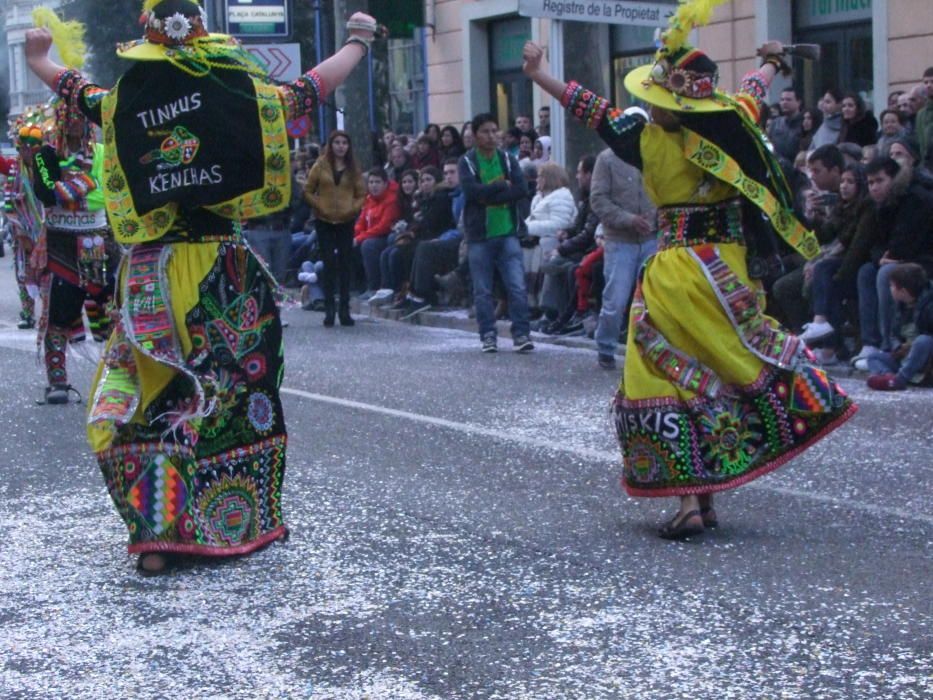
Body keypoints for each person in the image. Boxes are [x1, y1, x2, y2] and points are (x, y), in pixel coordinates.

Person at [25, 0, 378, 573]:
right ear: (205, 38)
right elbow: (309, 88)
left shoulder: (128, 104)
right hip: (227, 275)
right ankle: (239, 522)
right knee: (234, 399)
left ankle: (160, 536)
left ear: (150, 41)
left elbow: (78, 90)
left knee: (149, 400)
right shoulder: (245, 99)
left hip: (155, 275)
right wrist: (358, 42)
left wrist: (40, 58)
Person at [522, 7, 856, 539]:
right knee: (720, 367)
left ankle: (688, 501)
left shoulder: (647, 139)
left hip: (677, 270)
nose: (648, 109)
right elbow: (751, 91)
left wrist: (540, 75)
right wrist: (769, 62)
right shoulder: (730, 128)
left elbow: (591, 108)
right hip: (728, 270)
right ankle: (706, 494)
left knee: (664, 373)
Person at [30, 91, 119, 405]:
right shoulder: (46, 155)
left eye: (83, 117)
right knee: (59, 315)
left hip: (100, 244)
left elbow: (110, 194)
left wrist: (73, 190)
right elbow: (46, 193)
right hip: (62, 247)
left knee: (112, 312)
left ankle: (119, 377)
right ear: (61, 120)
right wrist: (88, 185)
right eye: (73, 116)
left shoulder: (105, 152)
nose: (79, 123)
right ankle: (58, 381)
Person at [459, 112, 533, 353]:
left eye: (494, 131)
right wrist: (501, 186)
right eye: (485, 132)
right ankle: (488, 335)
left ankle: (521, 333)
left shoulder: (508, 160)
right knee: (483, 290)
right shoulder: (468, 162)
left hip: (508, 231)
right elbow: (472, 193)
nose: (491, 137)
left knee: (517, 287)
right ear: (475, 135)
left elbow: (521, 189)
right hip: (480, 235)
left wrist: (488, 194)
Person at [855, 157, 933, 367]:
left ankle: (890, 344)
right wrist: (880, 257)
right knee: (866, 271)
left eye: (879, 181)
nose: (874, 188)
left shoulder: (916, 199)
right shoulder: (881, 203)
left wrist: (886, 258)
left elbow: (906, 243)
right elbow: (874, 244)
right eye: (870, 183)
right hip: (903, 257)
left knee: (887, 273)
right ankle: (870, 342)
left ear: (894, 178)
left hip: (924, 260)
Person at [589, 137, 657, 370]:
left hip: (651, 238)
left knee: (653, 300)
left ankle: (649, 349)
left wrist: (656, 218)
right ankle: (606, 346)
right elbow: (598, 199)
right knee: (615, 300)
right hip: (620, 240)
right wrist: (628, 220)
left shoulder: (654, 154)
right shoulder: (606, 160)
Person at [798, 163, 877, 362]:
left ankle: (823, 329)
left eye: (850, 182)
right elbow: (824, 235)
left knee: (827, 274)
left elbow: (857, 246)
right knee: (818, 277)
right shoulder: (841, 208)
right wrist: (814, 218)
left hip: (860, 263)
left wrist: (840, 275)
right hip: (840, 262)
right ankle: (828, 347)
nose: (844, 186)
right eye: (842, 181)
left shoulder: (866, 207)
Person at [305, 129, 366, 327]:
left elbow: (360, 193)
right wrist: (319, 206)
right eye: (337, 143)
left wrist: (352, 209)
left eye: (344, 143)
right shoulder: (321, 164)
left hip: (346, 221)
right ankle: (330, 308)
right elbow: (308, 190)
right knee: (329, 263)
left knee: (345, 264)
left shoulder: (353, 167)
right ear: (331, 145)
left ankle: (344, 309)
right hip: (324, 221)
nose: (341, 146)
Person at [865, 262, 933, 390]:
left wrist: (912, 347)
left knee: (923, 341)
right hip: (905, 358)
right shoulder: (900, 306)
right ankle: (888, 377)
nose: (889, 289)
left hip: (925, 361)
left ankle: (899, 379)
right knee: (874, 357)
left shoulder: (929, 305)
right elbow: (894, 333)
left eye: (891, 286)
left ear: (903, 291)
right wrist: (897, 347)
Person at [521, 161, 577, 314]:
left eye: (539, 176)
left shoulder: (561, 196)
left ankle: (547, 309)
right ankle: (530, 304)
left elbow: (559, 224)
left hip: (555, 242)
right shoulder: (539, 198)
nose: (536, 180)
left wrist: (528, 228)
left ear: (548, 178)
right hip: (539, 241)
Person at [353, 168, 401, 296]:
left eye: (377, 182)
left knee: (368, 245)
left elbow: (383, 226)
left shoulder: (391, 200)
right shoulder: (369, 199)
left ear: (385, 184)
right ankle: (353, 285)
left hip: (384, 236)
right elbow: (361, 222)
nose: (374, 186)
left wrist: (359, 238)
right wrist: (354, 236)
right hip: (369, 235)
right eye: (371, 182)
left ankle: (373, 286)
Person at [767, 87, 804, 161]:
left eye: (788, 100)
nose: (784, 102)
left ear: (798, 102)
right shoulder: (775, 123)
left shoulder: (804, 123)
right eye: (782, 100)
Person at [916, 67, 933, 167]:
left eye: (932, 82)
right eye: (926, 82)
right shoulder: (921, 114)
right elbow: (921, 144)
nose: (928, 85)